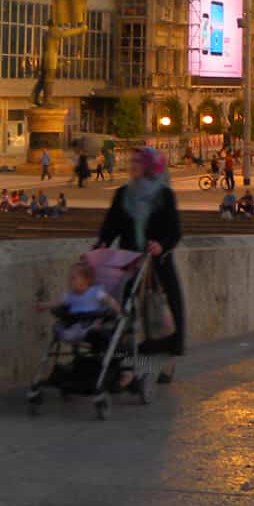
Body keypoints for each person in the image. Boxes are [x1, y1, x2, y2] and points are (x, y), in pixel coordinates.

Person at [94, 146, 185, 390]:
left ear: (148, 166)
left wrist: (161, 245)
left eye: (137, 161)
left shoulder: (164, 195)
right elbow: (110, 227)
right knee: (126, 317)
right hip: (129, 262)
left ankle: (164, 363)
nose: (132, 164)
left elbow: (174, 231)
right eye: (132, 160)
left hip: (156, 264)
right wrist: (100, 245)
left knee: (163, 317)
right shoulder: (123, 194)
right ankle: (128, 368)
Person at [41, 261, 118, 342]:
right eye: (69, 278)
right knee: (61, 326)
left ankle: (92, 329)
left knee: (100, 321)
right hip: (76, 321)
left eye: (73, 278)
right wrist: (45, 305)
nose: (70, 281)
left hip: (92, 319)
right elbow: (58, 302)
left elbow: (109, 300)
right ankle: (70, 334)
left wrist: (118, 310)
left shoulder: (95, 292)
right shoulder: (70, 296)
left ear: (86, 280)